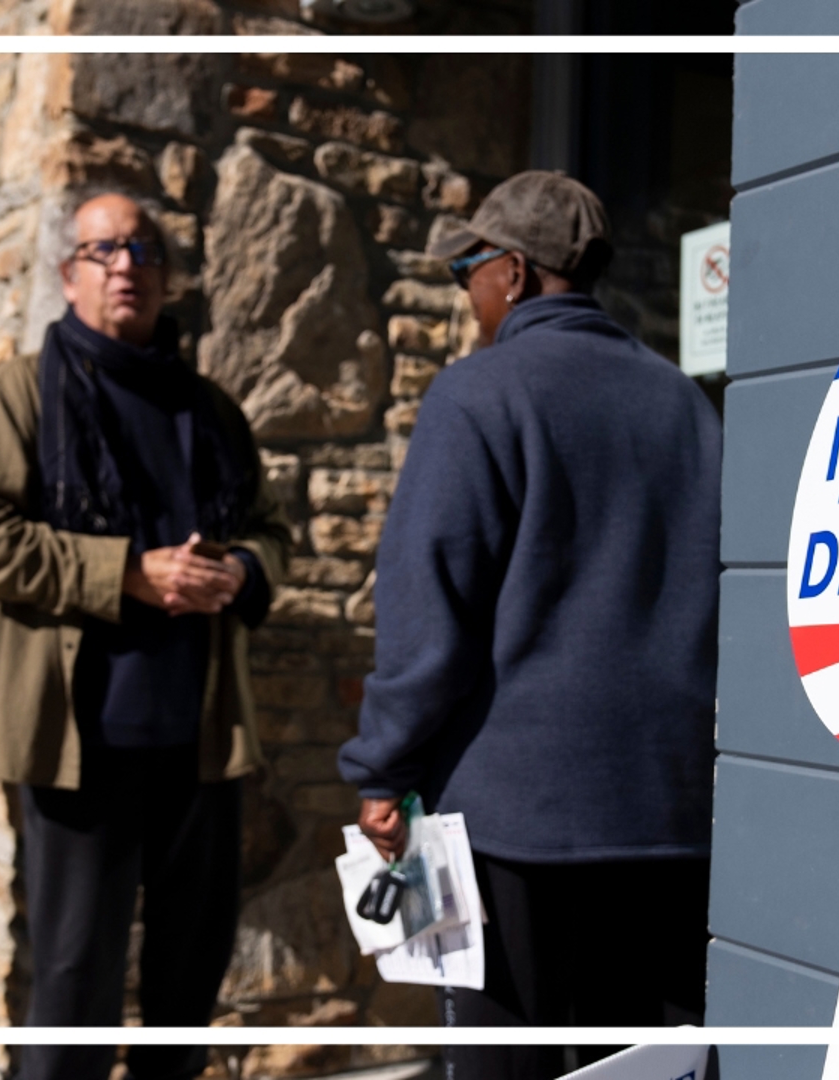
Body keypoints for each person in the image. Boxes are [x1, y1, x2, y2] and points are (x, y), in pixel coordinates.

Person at [337, 172, 724, 1080]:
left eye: (467, 268)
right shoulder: (685, 406)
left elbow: (428, 605)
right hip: (667, 815)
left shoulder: (479, 395)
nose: (465, 292)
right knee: (643, 1068)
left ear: (513, 272)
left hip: (517, 824)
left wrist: (382, 769)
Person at [0, 191, 289, 1080]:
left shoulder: (209, 409)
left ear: (166, 276)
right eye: (102, 251)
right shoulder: (22, 393)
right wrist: (128, 573)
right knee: (73, 979)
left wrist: (243, 572)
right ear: (69, 275)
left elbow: (270, 531)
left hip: (200, 736)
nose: (125, 264)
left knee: (188, 974)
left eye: (141, 250)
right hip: (79, 740)